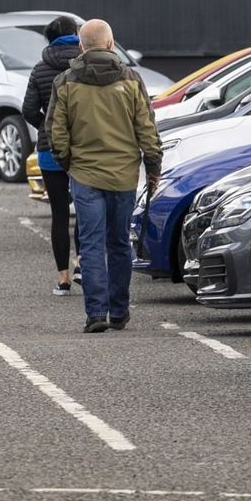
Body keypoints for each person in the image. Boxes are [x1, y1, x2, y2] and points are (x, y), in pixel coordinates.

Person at [46, 19, 162, 333]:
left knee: (92, 244)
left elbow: (55, 131)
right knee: (120, 243)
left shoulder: (66, 82)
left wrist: (67, 162)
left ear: (81, 46)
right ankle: (119, 311)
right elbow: (147, 130)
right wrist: (153, 167)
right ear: (111, 45)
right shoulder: (131, 80)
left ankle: (96, 313)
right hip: (123, 175)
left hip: (84, 174)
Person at [22, 16, 83, 295]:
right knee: (85, 209)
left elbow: (28, 109)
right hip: (84, 148)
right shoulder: (85, 65)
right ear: (75, 35)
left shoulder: (39, 69)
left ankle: (62, 278)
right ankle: (83, 264)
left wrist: (46, 127)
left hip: (49, 151)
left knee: (59, 214)